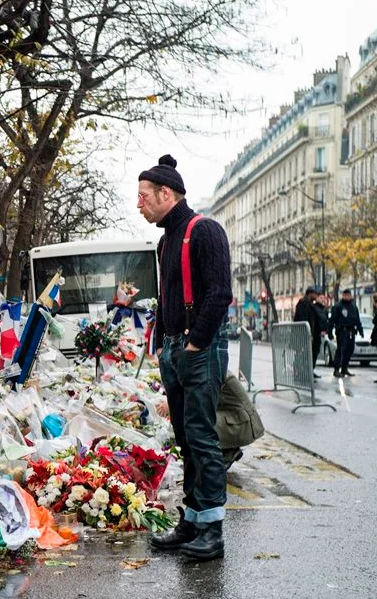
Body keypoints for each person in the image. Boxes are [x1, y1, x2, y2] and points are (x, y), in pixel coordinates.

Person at [137, 155, 232, 561]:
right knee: (185, 438)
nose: (138, 204)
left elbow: (218, 293)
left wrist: (194, 344)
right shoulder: (165, 241)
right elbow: (167, 297)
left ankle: (212, 529)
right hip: (175, 348)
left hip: (200, 347)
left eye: (143, 197)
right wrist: (161, 341)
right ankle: (193, 520)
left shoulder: (205, 230)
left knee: (202, 437)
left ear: (166, 193)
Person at [329, 289, 363, 378]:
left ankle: (344, 368)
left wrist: (360, 330)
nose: (347, 297)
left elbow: (357, 320)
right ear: (343, 295)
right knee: (340, 350)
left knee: (350, 350)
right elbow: (332, 320)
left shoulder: (353, 306)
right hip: (342, 331)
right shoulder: (338, 306)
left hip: (351, 331)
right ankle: (336, 369)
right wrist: (330, 333)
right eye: (345, 295)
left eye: (349, 295)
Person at [293, 287, 323, 378]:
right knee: (302, 354)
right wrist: (307, 334)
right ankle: (299, 372)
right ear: (310, 294)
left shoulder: (310, 304)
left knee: (311, 353)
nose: (316, 296)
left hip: (311, 334)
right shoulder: (303, 304)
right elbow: (304, 320)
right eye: (315, 294)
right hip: (304, 334)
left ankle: (309, 371)